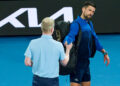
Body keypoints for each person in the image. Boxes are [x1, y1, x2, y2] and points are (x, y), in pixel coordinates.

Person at [63, 1, 110, 86]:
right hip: (76, 64)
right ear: (83, 9)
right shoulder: (76, 24)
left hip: (86, 63)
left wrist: (104, 52)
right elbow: (70, 36)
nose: (91, 13)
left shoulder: (89, 24)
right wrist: (66, 42)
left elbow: (95, 39)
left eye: (93, 12)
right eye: (89, 10)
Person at [24, 17, 72, 86]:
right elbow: (64, 63)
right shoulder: (58, 45)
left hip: (37, 80)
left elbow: (27, 62)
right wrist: (68, 50)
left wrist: (36, 64)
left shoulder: (32, 43)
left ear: (42, 28)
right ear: (52, 30)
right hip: (52, 81)